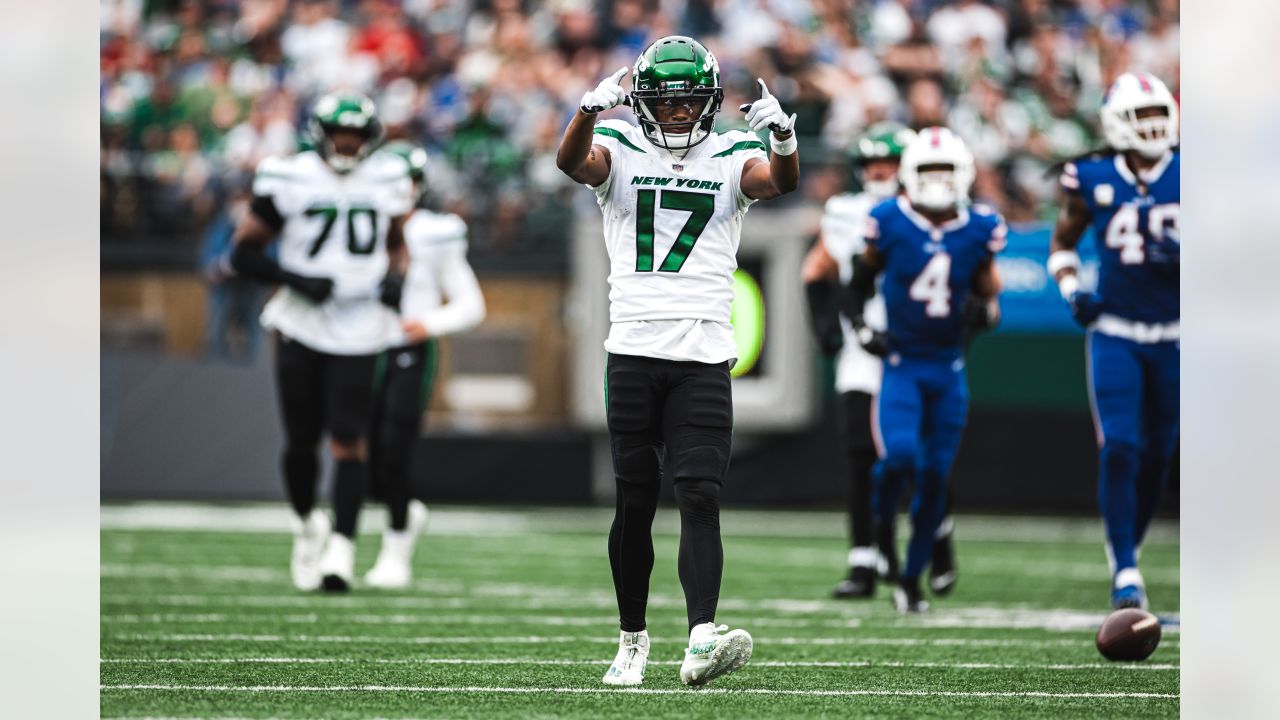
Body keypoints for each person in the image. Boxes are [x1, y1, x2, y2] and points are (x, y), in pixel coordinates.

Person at [556, 35, 799, 687]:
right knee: (634, 503)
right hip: (633, 348)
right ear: (642, 105)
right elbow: (572, 163)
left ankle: (699, 636)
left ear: (708, 100)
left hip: (703, 352)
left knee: (699, 493)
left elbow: (778, 181)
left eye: (685, 102)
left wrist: (783, 139)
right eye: (662, 104)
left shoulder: (733, 151)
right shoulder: (622, 149)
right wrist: (586, 111)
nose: (673, 116)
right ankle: (631, 640)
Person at [230, 93, 414, 592]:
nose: (348, 142)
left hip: (360, 325)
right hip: (301, 322)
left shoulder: (389, 177)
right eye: (340, 133)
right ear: (322, 133)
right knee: (302, 440)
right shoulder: (288, 175)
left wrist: (397, 277)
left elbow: (397, 243)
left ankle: (341, 548)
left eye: (356, 134)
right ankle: (306, 521)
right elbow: (243, 253)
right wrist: (294, 278)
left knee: (350, 440)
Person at [844, 127, 1003, 613]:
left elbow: (990, 295)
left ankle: (912, 579)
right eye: (929, 171)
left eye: (945, 171)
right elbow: (860, 281)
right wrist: (859, 326)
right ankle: (885, 538)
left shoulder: (979, 227)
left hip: (948, 368)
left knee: (935, 476)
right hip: (902, 365)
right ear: (911, 175)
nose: (937, 181)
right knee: (899, 459)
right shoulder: (888, 219)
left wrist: (985, 313)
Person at [1047, 71, 1179, 611]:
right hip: (1117, 332)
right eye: (1140, 116)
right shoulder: (1092, 176)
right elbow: (1062, 246)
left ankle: (1133, 549)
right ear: (1118, 125)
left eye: (1157, 114)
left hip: (1178, 335)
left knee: (1158, 454)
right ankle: (1125, 567)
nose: (1152, 126)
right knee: (1121, 445)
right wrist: (1073, 289)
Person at [803, 122, 951, 600]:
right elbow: (818, 269)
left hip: (915, 346)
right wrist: (825, 323)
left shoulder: (935, 212)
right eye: (871, 165)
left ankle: (937, 540)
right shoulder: (845, 212)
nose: (880, 172)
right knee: (860, 456)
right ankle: (864, 559)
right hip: (862, 347)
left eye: (888, 163)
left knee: (917, 457)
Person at [363, 141, 487, 589]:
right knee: (363, 457)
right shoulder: (357, 224)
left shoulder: (435, 233)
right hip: (357, 347)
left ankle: (395, 550)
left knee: (395, 450)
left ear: (417, 186)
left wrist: (427, 322)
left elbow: (471, 304)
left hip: (406, 349)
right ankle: (402, 514)